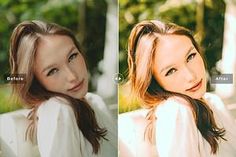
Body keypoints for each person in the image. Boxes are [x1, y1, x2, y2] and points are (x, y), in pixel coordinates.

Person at [118, 20, 236, 157]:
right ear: (155, 82)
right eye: (171, 71)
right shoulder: (176, 110)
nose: (190, 76)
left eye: (191, 56)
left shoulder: (212, 102)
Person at [9, 20, 117, 157]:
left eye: (72, 56)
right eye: (53, 71)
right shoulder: (58, 110)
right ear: (37, 83)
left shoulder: (94, 101)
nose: (72, 76)